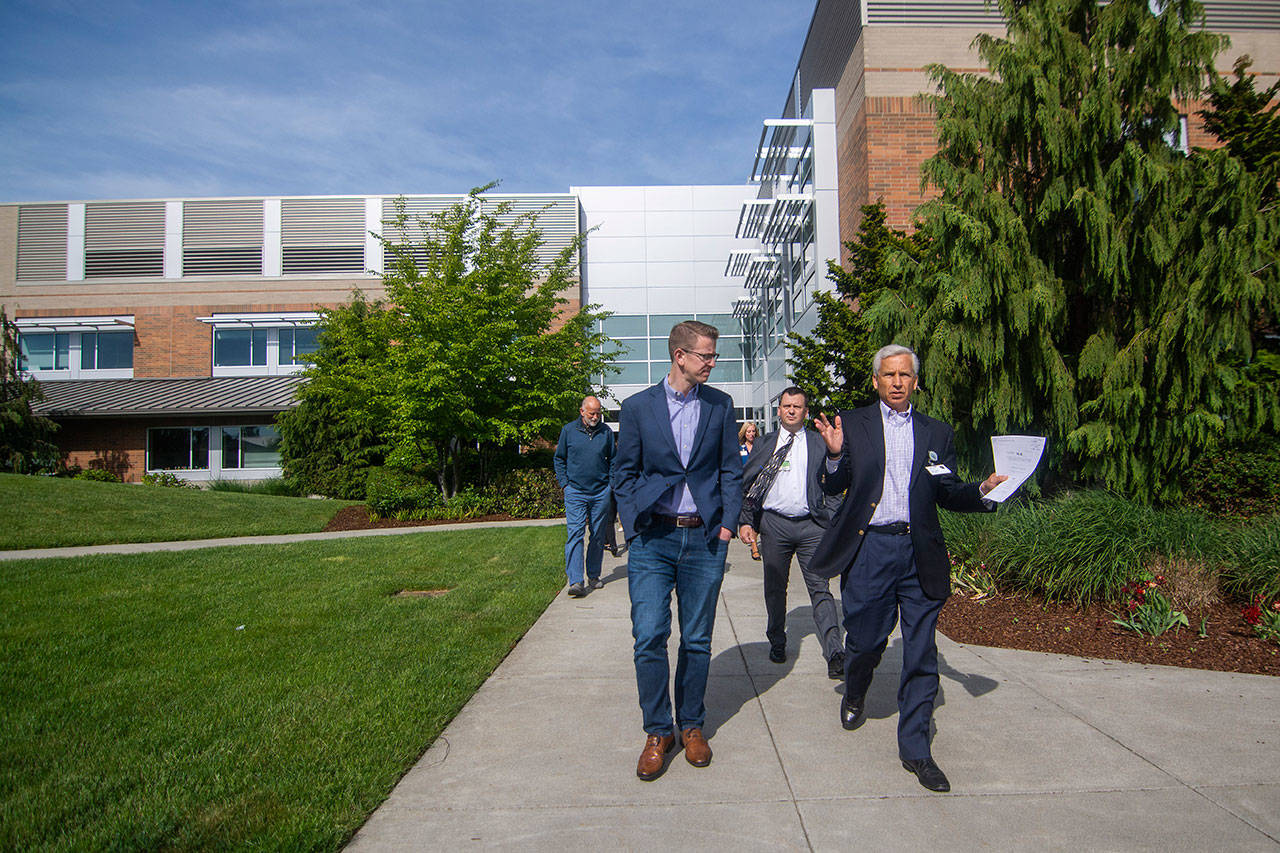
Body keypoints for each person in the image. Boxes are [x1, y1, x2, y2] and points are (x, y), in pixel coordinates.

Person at [811, 344, 1006, 794]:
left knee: (920, 652)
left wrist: (982, 489)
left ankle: (916, 749)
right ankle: (856, 689)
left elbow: (948, 491)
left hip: (919, 553)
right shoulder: (853, 424)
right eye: (888, 375)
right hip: (870, 552)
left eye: (905, 375)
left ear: (916, 381)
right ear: (875, 381)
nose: (897, 382)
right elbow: (833, 484)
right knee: (864, 640)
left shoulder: (937, 432)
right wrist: (836, 456)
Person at [613, 320, 742, 781]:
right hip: (653, 539)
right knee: (648, 636)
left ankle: (691, 725)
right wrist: (633, 525)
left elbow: (731, 471)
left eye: (713, 355)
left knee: (697, 640)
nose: (712, 362)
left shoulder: (720, 405)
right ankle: (657, 731)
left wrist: (727, 526)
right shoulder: (638, 407)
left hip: (705, 539)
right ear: (679, 356)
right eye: (706, 355)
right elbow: (624, 473)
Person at [738, 387, 844, 678]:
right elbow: (748, 485)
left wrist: (831, 515)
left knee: (820, 588)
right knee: (774, 588)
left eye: (798, 406)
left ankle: (835, 650)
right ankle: (777, 639)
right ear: (779, 410)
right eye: (787, 406)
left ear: (805, 412)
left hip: (812, 526)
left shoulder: (818, 443)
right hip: (775, 525)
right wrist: (747, 521)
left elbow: (837, 480)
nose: (792, 411)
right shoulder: (764, 444)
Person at [553, 395, 616, 598]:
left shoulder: (605, 432)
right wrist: (565, 485)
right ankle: (576, 581)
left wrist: (610, 485)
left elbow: (614, 460)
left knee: (597, 536)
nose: (596, 417)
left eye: (598, 413)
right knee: (575, 535)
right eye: (592, 413)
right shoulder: (569, 431)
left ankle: (594, 576)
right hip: (575, 492)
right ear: (582, 412)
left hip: (600, 492)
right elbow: (559, 459)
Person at [738, 421, 762, 560]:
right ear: (744, 433)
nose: (751, 434)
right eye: (749, 431)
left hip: (759, 487)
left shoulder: (761, 448)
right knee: (750, 517)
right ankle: (754, 547)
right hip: (745, 488)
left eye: (753, 431)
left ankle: (754, 539)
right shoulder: (739, 449)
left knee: (758, 517)